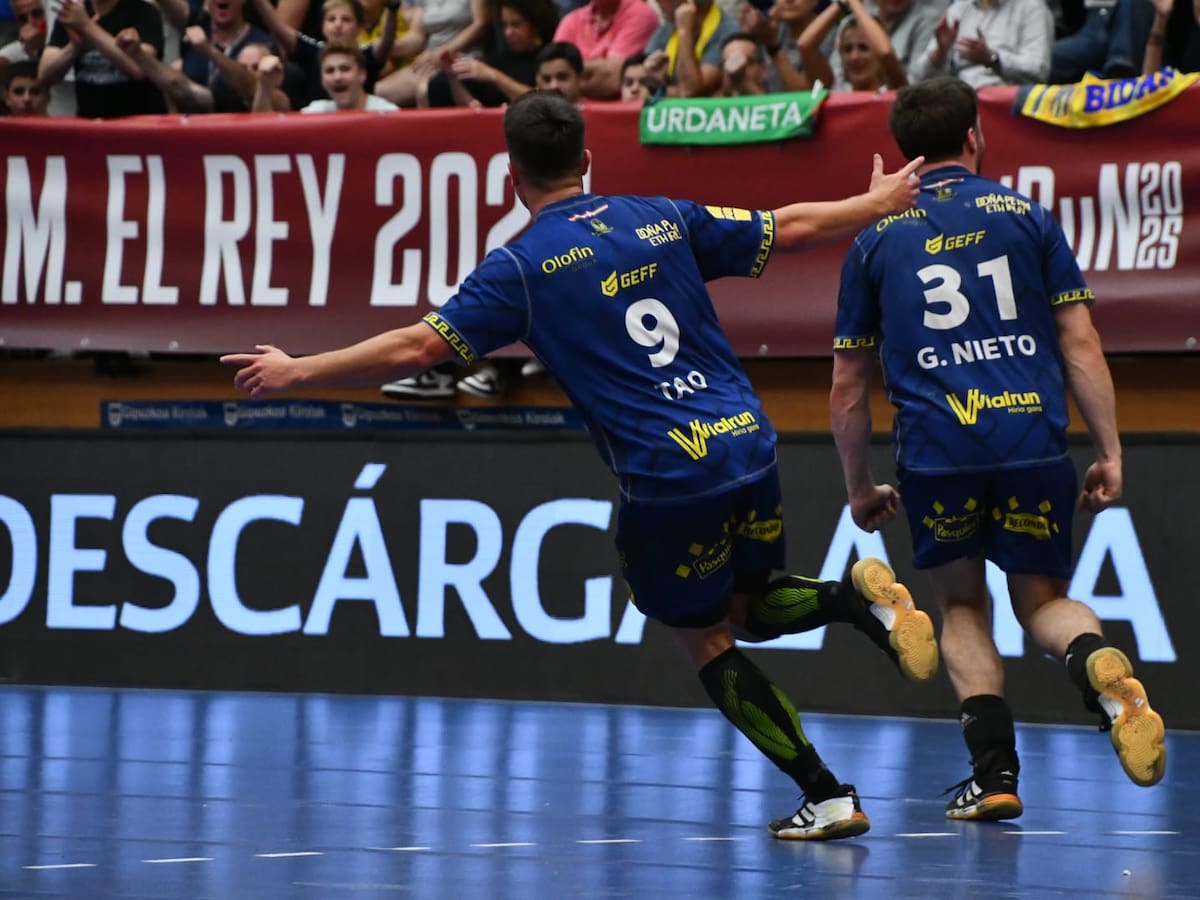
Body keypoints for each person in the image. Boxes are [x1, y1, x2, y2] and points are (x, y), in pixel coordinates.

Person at [223, 90, 938, 841]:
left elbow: (418, 349)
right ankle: (860, 605)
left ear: (511, 177)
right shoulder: (659, 215)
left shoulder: (521, 270)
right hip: (746, 439)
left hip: (669, 474)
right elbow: (787, 228)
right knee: (747, 603)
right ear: (587, 161)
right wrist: (875, 200)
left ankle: (826, 795)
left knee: (707, 637)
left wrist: (298, 371)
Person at [828, 76, 1167, 822]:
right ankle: (1094, 663)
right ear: (974, 138)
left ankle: (996, 774)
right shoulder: (1028, 218)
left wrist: (859, 485)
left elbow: (849, 384)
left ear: (901, 152)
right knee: (1043, 602)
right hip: (1030, 441)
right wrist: (1109, 447)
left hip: (939, 450)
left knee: (960, 605)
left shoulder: (874, 239)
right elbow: (1081, 340)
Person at [39, 0, 167, 118]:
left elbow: (140, 69)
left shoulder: (144, 12)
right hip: (91, 127)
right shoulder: (74, 14)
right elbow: (44, 75)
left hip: (137, 126)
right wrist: (74, 47)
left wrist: (87, 27)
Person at [909, 0, 1054, 87]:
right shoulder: (959, 9)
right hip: (957, 105)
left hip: (1006, 106)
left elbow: (1039, 71)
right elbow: (919, 78)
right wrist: (940, 51)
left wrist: (992, 59)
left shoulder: (1033, 8)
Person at [552, 0, 660, 99]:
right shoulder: (571, 20)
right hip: (571, 111)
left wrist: (568, 76)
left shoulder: (640, 14)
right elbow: (551, 68)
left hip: (622, 113)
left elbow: (611, 78)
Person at [299, 39, 400, 109]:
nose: (337, 77)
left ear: (362, 74)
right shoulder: (314, 113)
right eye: (330, 71)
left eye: (345, 69)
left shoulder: (387, 114)